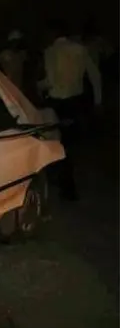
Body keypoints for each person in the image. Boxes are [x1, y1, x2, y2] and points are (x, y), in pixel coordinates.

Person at [38, 20, 102, 201]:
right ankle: (67, 185)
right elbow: (95, 76)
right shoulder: (80, 49)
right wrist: (98, 101)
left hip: (57, 103)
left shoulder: (50, 52)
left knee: (55, 143)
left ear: (52, 34)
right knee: (69, 145)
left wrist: (37, 86)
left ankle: (63, 185)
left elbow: (50, 81)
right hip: (76, 102)